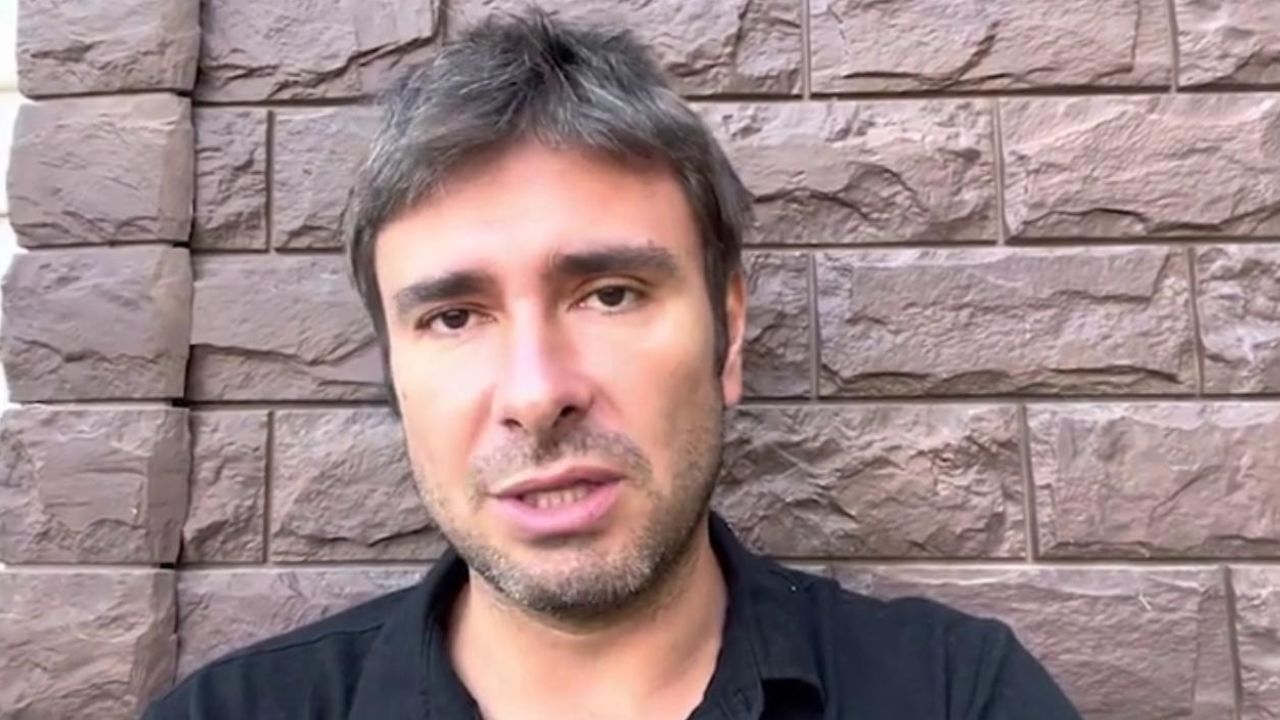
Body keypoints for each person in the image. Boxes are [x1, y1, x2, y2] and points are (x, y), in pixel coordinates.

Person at [145, 11, 1082, 720]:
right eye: (454, 316)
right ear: (393, 370)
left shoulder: (957, 695)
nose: (537, 392)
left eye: (610, 295)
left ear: (727, 334)